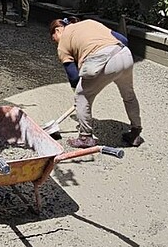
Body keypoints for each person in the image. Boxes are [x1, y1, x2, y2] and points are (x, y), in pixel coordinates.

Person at [50, 16, 143, 148]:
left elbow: (73, 76)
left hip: (103, 59)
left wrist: (79, 96)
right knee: (129, 95)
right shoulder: (89, 23)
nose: (55, 42)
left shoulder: (63, 43)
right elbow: (123, 40)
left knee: (82, 95)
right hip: (124, 54)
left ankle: (85, 137)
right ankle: (135, 133)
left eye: (54, 38)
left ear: (58, 30)